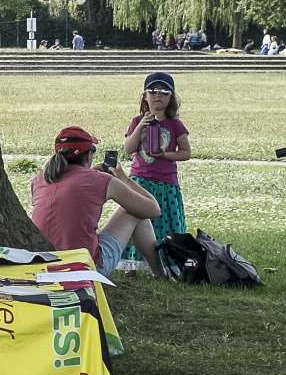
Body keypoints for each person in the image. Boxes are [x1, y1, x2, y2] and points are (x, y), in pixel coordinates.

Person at [30, 126, 161, 275]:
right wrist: (123, 178)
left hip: (42, 264)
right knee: (134, 213)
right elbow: (153, 209)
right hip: (84, 267)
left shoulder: (39, 179)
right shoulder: (99, 179)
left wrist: (91, 173)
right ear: (88, 155)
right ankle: (160, 274)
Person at [124, 71, 192, 242]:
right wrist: (141, 126)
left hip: (166, 183)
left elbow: (186, 152)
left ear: (171, 98)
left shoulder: (175, 124)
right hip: (139, 181)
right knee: (135, 220)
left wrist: (165, 155)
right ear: (145, 96)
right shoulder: (137, 121)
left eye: (164, 92)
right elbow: (129, 149)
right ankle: (134, 256)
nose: (157, 95)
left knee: (165, 221)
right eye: (152, 91)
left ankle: (167, 253)